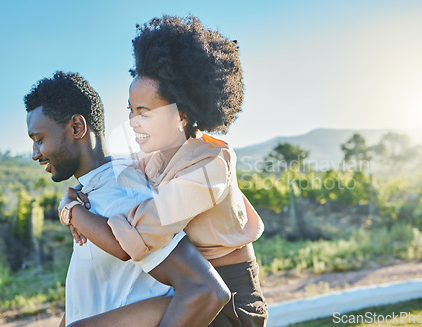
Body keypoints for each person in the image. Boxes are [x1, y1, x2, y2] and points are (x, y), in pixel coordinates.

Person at [65, 15, 268, 326]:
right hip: (191, 287)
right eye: (130, 111)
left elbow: (138, 235)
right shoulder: (155, 160)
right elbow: (118, 180)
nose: (133, 121)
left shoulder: (211, 166)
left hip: (230, 302)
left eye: (144, 112)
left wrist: (71, 213)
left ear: (181, 116)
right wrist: (84, 194)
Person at [25, 71, 230, 327]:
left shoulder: (123, 193)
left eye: (39, 140)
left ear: (77, 127)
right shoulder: (91, 195)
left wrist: (71, 211)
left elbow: (205, 291)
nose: (35, 154)